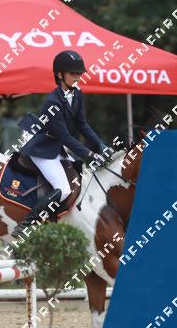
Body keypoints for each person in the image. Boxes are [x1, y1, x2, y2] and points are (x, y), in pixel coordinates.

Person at [14, 50, 108, 235]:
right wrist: (90, 154)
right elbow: (65, 136)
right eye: (73, 73)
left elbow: (82, 124)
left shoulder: (77, 94)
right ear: (59, 75)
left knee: (80, 177)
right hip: (43, 149)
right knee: (63, 189)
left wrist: (100, 144)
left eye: (79, 73)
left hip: (57, 148)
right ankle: (25, 224)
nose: (78, 77)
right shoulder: (52, 102)